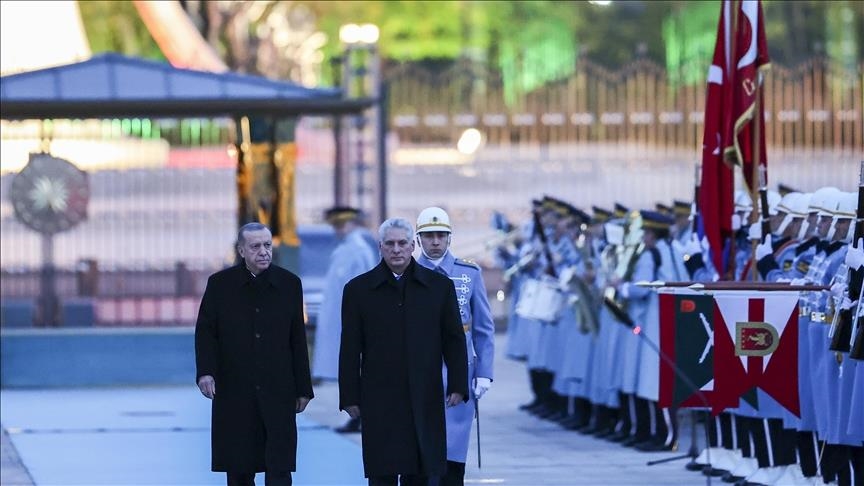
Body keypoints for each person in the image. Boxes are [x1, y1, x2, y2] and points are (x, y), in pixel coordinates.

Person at [338, 218, 468, 486]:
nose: (396, 249)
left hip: (425, 395)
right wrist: (349, 395)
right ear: (380, 247)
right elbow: (350, 348)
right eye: (390, 244)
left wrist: (458, 384)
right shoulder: (358, 290)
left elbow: (454, 339)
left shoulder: (439, 287)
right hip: (378, 397)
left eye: (402, 243)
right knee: (382, 472)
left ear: (412, 246)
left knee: (421, 470)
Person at [195, 222, 314, 486]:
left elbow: (297, 339)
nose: (263, 252)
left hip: (279, 388)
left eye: (267, 245)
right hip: (235, 388)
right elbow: (206, 332)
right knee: (239, 467)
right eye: (255, 246)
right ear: (241, 251)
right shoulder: (220, 285)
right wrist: (206, 372)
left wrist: (303, 388)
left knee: (279, 467)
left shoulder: (289, 284)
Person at [414, 207, 495, 486]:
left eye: (441, 235)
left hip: (458, 371)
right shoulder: (408, 274)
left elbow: (483, 327)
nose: (435, 242)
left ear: (450, 237)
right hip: (421, 368)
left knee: (454, 444)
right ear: (419, 239)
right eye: (429, 236)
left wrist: (484, 372)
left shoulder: (468, 273)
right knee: (420, 447)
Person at [311, 207, 377, 434]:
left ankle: (362, 417)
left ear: (352, 224)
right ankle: (357, 417)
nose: (338, 230)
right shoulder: (345, 249)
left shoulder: (357, 251)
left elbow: (362, 289)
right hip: (340, 321)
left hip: (351, 322)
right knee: (350, 372)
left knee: (357, 372)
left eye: (341, 225)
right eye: (336, 226)